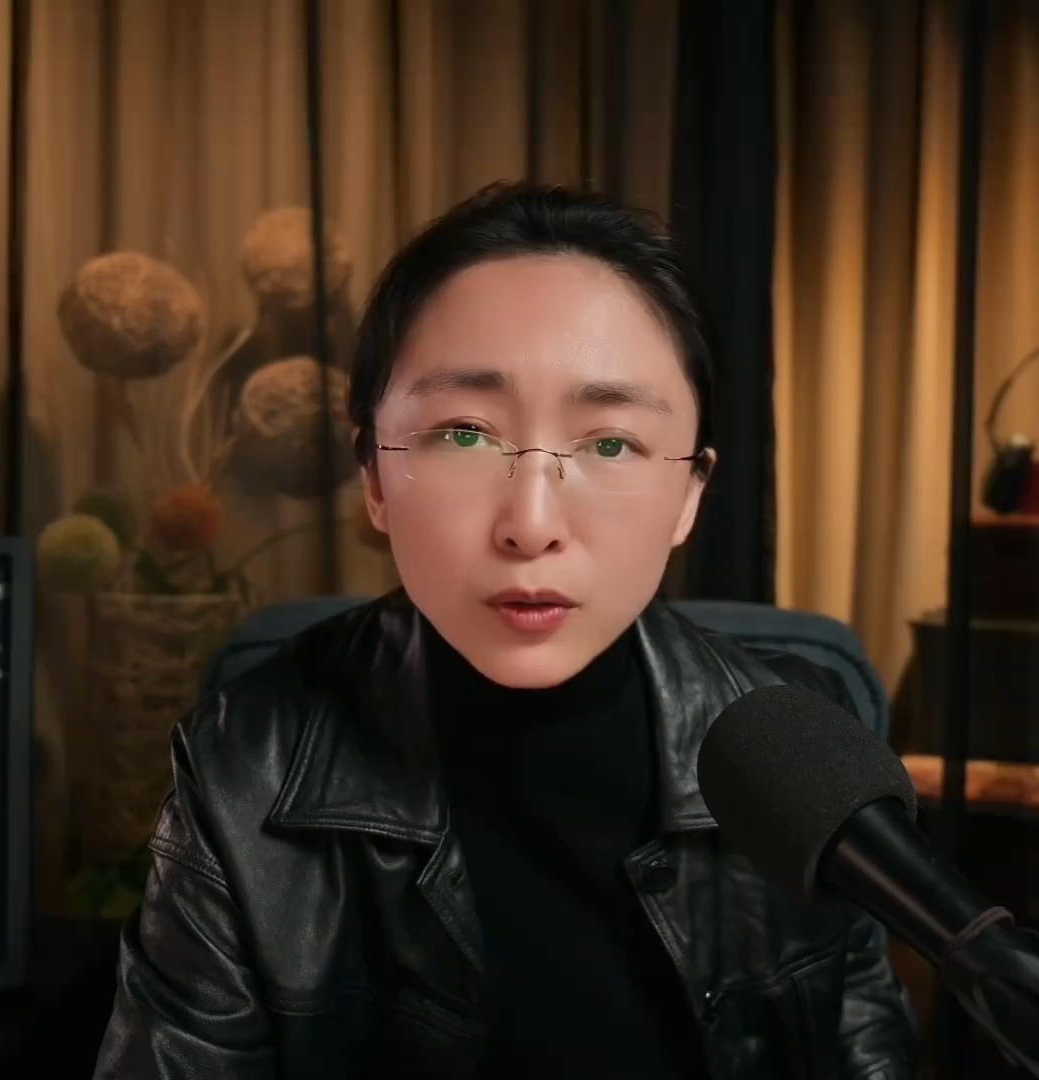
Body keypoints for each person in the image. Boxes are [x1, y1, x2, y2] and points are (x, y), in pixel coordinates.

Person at [92, 181, 921, 1078]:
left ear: (691, 493)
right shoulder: (242, 763)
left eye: (609, 444)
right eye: (465, 434)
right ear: (374, 476)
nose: (531, 524)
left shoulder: (799, 748)